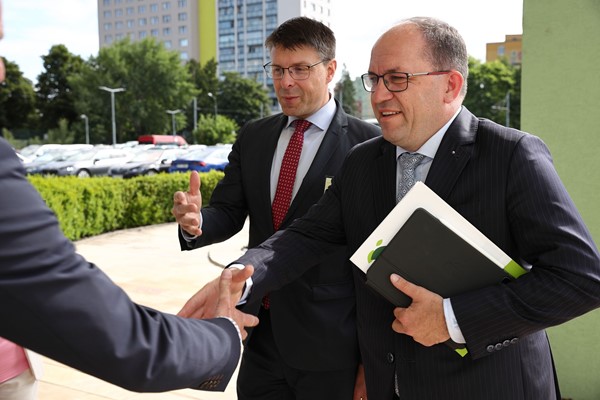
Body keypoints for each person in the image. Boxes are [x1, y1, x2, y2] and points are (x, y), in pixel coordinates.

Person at [178, 16, 600, 399]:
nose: (379, 95)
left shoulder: (511, 156)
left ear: (450, 85)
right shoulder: (362, 162)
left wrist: (453, 318)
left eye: (397, 79)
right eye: (374, 79)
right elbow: (305, 235)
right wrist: (242, 276)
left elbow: (581, 278)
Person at [173, 16, 380, 400]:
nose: (286, 82)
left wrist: (371, 363)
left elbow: (376, 259)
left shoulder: (368, 145)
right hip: (257, 330)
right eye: (278, 70)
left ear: (330, 70)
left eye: (300, 69)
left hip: (330, 342)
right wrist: (197, 222)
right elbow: (229, 210)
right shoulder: (254, 136)